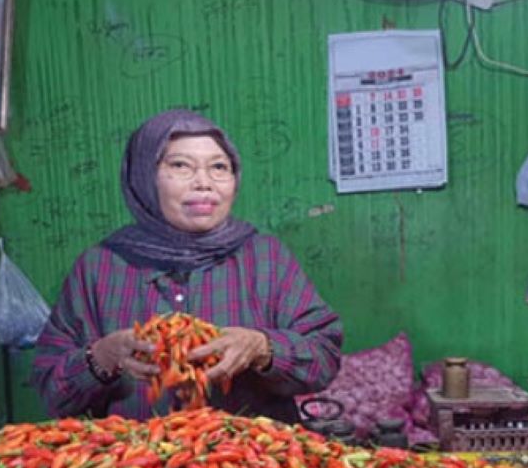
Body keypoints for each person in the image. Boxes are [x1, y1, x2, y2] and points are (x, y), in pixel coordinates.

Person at [32, 109, 343, 423]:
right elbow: (52, 391)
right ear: (143, 176)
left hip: (252, 462)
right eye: (180, 165)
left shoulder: (265, 258)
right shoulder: (100, 267)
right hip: (134, 463)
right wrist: (102, 357)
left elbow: (323, 359)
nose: (204, 183)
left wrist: (262, 348)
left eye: (219, 167)